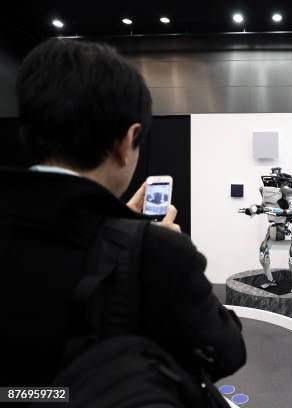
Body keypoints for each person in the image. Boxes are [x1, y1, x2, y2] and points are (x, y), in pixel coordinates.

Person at [0, 39, 246, 387]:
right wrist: (156, 248)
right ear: (127, 140)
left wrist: (117, 221)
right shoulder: (158, 253)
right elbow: (228, 351)